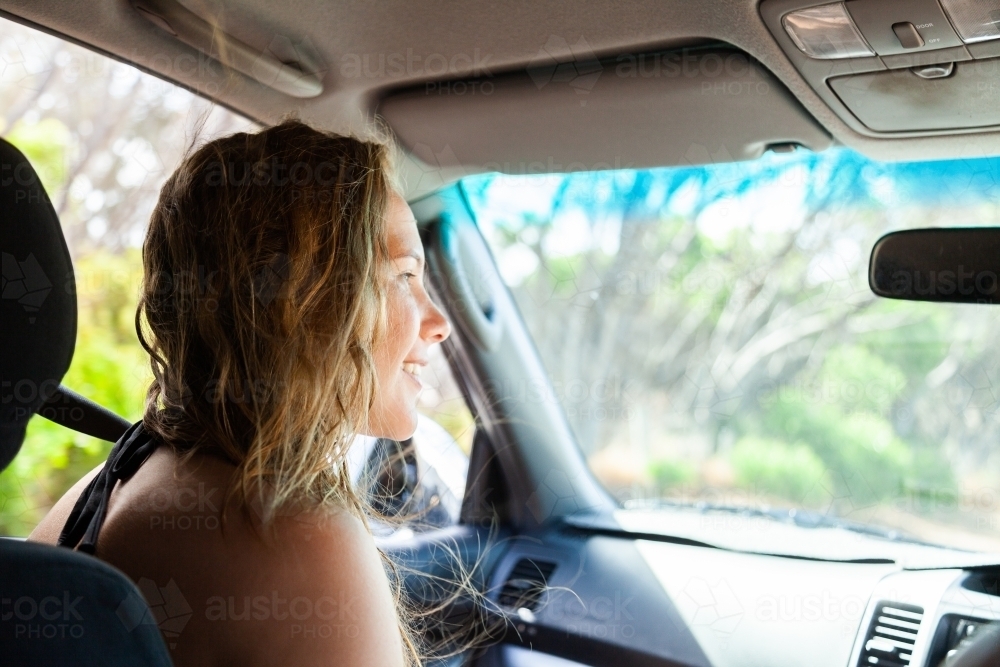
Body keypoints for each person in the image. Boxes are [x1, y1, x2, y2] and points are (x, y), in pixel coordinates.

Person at [29, 120, 451, 667]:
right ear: (297, 298)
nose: (438, 321)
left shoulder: (113, 481)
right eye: (404, 275)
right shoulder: (300, 539)